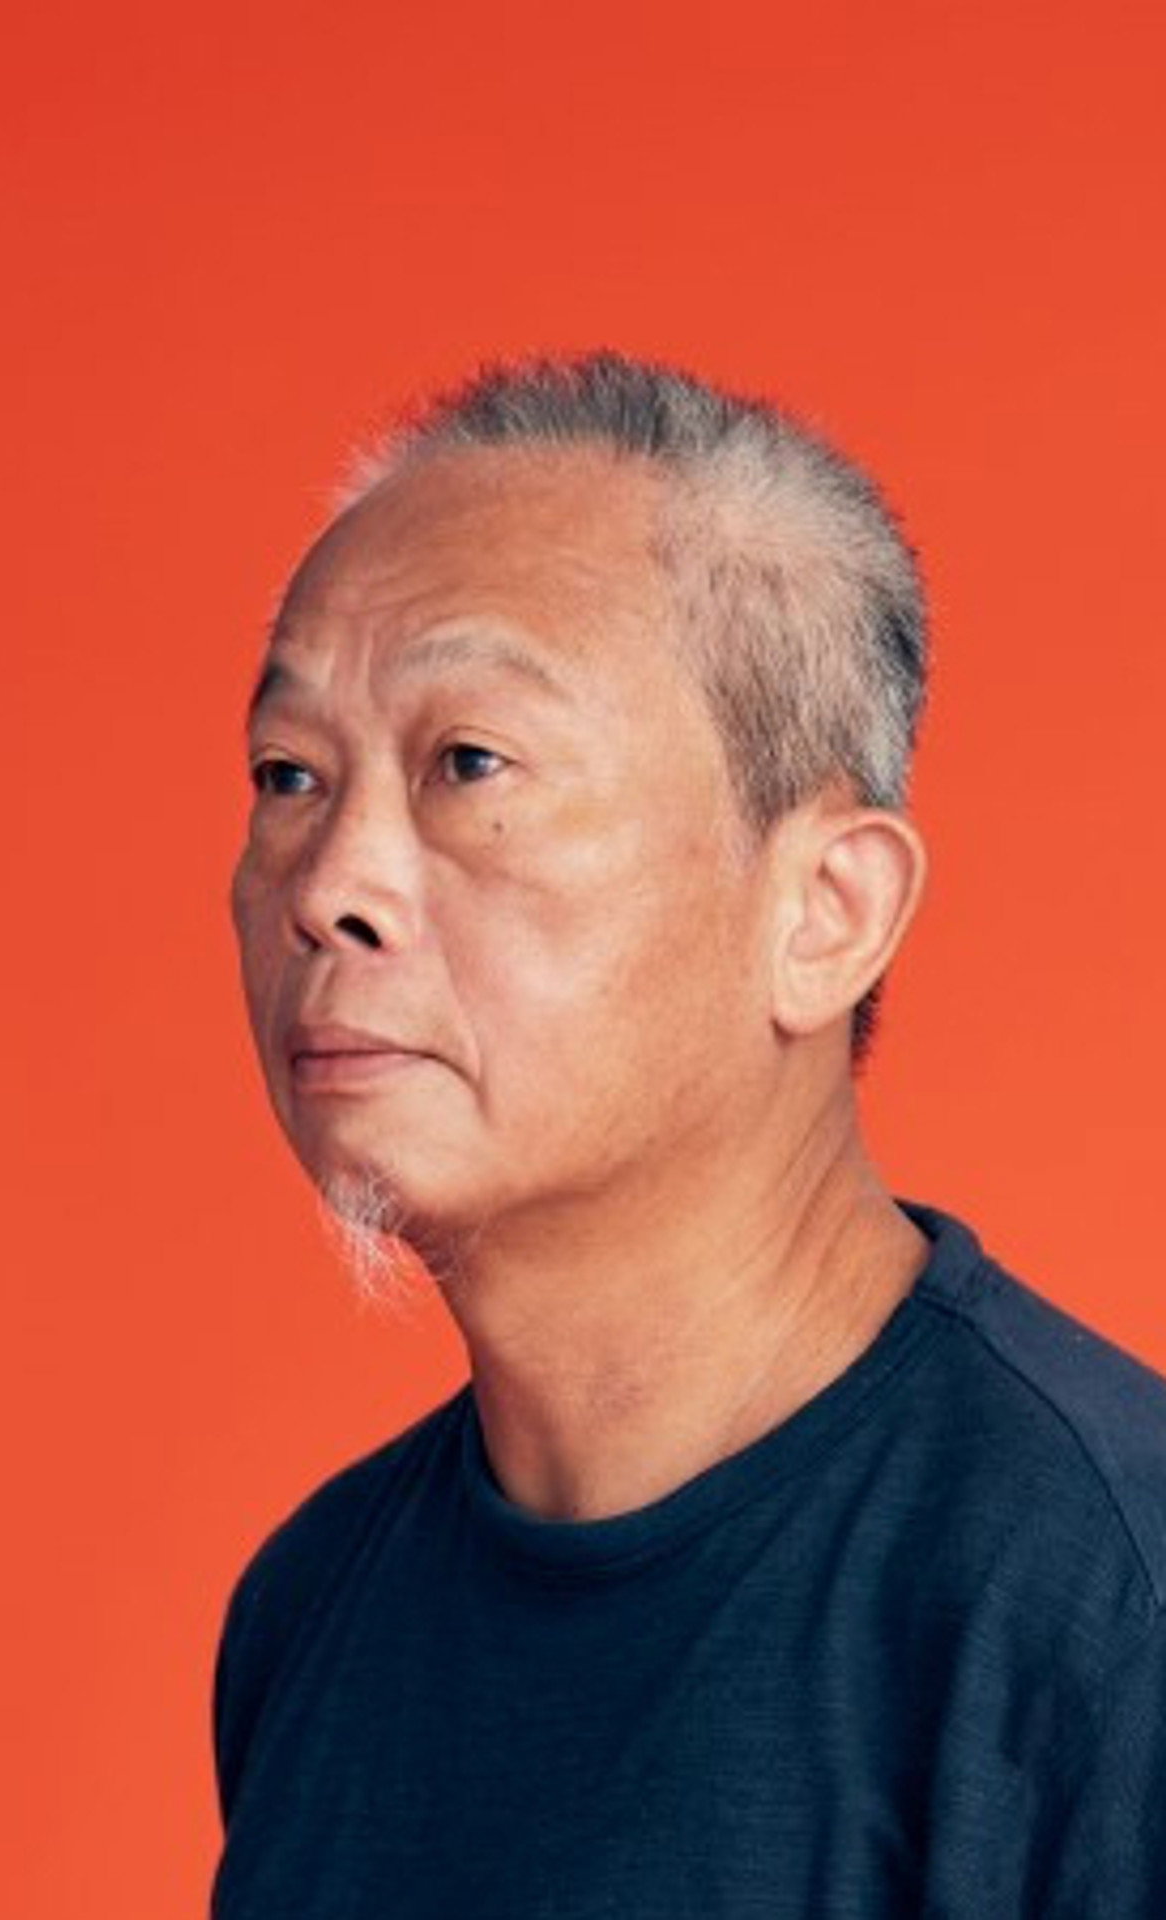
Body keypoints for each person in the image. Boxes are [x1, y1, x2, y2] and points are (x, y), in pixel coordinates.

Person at [210, 352, 1166, 1917]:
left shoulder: (1103, 1610)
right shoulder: (312, 1611)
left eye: (471, 764)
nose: (330, 885)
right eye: (288, 774)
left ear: (825, 912)